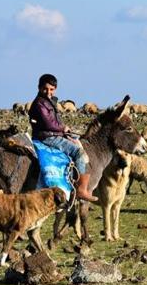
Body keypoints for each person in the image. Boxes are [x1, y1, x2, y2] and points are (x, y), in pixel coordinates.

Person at [28, 74, 97, 202]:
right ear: (39, 87)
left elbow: (54, 121)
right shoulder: (39, 104)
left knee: (78, 140)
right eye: (45, 89)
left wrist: (64, 130)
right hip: (48, 137)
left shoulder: (47, 101)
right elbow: (49, 123)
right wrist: (63, 129)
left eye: (51, 89)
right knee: (79, 152)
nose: (48, 92)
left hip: (53, 134)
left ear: (55, 89)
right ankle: (81, 190)